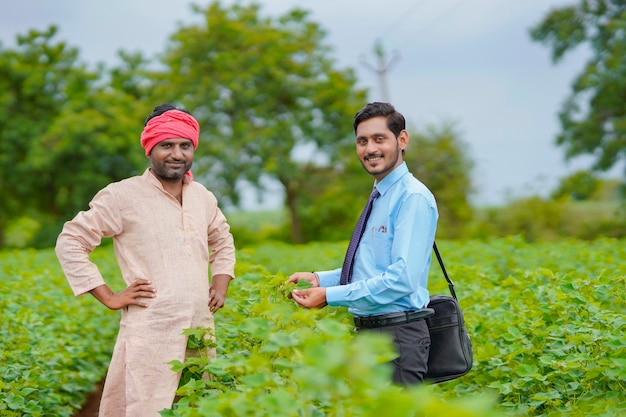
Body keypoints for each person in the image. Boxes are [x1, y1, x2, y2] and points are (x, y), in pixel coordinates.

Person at [55, 103, 236, 416]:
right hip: (152, 330)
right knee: (147, 408)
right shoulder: (123, 196)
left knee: (198, 404)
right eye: (166, 145)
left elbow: (222, 239)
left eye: (185, 146)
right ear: (150, 149)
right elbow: (71, 241)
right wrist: (109, 296)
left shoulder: (202, 196)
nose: (176, 154)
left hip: (199, 328)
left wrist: (220, 284)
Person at [287, 102, 438, 385]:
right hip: (370, 335)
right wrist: (319, 279)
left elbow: (402, 279)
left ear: (402, 140)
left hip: (398, 339)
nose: (370, 149)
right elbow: (370, 269)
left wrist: (329, 296)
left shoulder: (412, 197)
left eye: (379, 139)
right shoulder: (380, 195)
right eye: (362, 141)